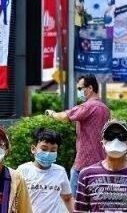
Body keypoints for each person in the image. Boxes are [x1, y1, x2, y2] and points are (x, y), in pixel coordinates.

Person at [46, 74, 111, 204]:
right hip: (102, 161)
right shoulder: (105, 109)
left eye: (80, 88)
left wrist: (51, 113)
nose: (79, 91)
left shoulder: (88, 106)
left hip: (83, 163)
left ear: (90, 88)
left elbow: (65, 117)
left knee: (74, 204)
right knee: (96, 205)